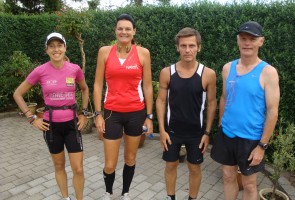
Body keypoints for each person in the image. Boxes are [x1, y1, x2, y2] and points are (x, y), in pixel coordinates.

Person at [13, 32, 89, 200]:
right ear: (46, 50)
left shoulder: (74, 69)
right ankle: (65, 197)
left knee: (78, 169)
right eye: (52, 46)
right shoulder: (40, 71)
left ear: (65, 48)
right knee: (59, 165)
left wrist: (84, 113)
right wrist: (31, 118)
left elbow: (85, 89)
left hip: (72, 125)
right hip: (51, 127)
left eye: (59, 45)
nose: (56, 49)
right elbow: (18, 94)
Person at [210, 21, 280, 200]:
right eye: (243, 38)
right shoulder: (228, 68)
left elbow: (273, 112)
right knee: (228, 177)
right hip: (227, 135)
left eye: (252, 39)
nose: (247, 42)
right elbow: (225, 97)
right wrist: (221, 124)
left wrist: (262, 146)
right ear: (238, 41)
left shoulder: (268, 72)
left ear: (261, 41)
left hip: (250, 140)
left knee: (249, 184)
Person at [93, 13, 153, 200]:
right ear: (115, 30)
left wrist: (149, 116)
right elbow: (97, 84)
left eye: (128, 28)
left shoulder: (143, 53)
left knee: (130, 158)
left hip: (136, 113)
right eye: (120, 28)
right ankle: (108, 192)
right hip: (112, 113)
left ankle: (125, 192)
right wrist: (98, 114)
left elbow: (148, 85)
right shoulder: (104, 52)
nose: (124, 31)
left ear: (134, 31)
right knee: (110, 164)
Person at [156, 27, 217, 200]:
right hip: (172, 131)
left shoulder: (208, 74)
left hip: (196, 133)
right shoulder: (167, 72)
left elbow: (212, 104)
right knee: (170, 165)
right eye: (183, 46)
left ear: (199, 47)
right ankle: (170, 197)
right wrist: (161, 130)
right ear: (177, 47)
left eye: (191, 45)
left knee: (194, 168)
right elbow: (160, 101)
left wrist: (207, 133)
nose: (187, 50)